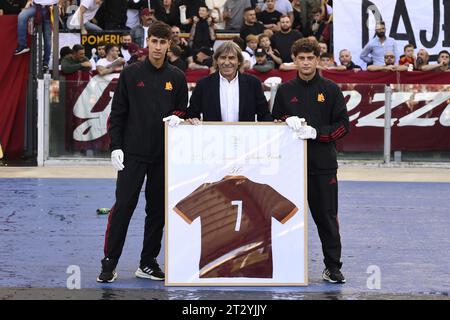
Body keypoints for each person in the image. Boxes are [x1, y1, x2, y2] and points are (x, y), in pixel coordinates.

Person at [97, 21, 188, 283]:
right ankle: (109, 262)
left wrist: (178, 118)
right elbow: (118, 114)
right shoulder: (131, 73)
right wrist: (115, 147)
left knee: (157, 211)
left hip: (162, 156)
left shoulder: (177, 77)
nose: (158, 47)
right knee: (124, 207)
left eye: (163, 42)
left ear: (170, 44)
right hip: (133, 154)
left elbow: (183, 111)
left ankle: (147, 262)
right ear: (148, 42)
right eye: (154, 41)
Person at [272, 38, 349, 284]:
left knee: (327, 218)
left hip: (323, 166)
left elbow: (343, 126)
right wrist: (285, 121)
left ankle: (332, 267)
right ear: (294, 60)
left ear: (317, 60)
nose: (305, 62)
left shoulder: (331, 89)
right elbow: (273, 123)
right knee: (286, 218)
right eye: (301, 58)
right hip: (290, 168)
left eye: (310, 58)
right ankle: (285, 266)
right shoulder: (285, 91)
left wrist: (318, 133)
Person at [186, 41, 272, 123]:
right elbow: (192, 113)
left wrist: (275, 125)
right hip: (213, 137)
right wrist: (192, 119)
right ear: (216, 60)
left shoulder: (253, 83)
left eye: (231, 58)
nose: (227, 62)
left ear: (239, 61)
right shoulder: (203, 84)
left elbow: (264, 115)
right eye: (223, 58)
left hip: (245, 137)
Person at [14, 0, 59, 72]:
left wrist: (60, 4)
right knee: (22, 16)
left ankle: (46, 62)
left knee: (47, 37)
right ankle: (22, 45)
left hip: (51, 8)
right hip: (36, 6)